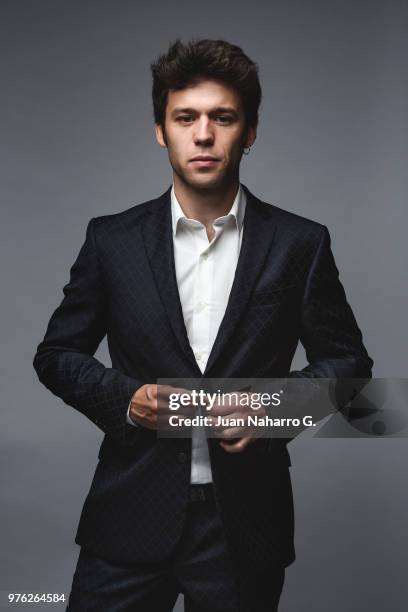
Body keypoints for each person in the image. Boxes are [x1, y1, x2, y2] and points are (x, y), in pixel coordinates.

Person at [33, 39, 373, 612]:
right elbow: (56, 353)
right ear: (161, 130)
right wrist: (125, 397)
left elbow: (349, 365)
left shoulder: (300, 243)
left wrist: (271, 409)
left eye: (223, 117)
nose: (204, 134)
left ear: (251, 131)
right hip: (128, 516)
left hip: (244, 526)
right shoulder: (110, 240)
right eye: (185, 118)